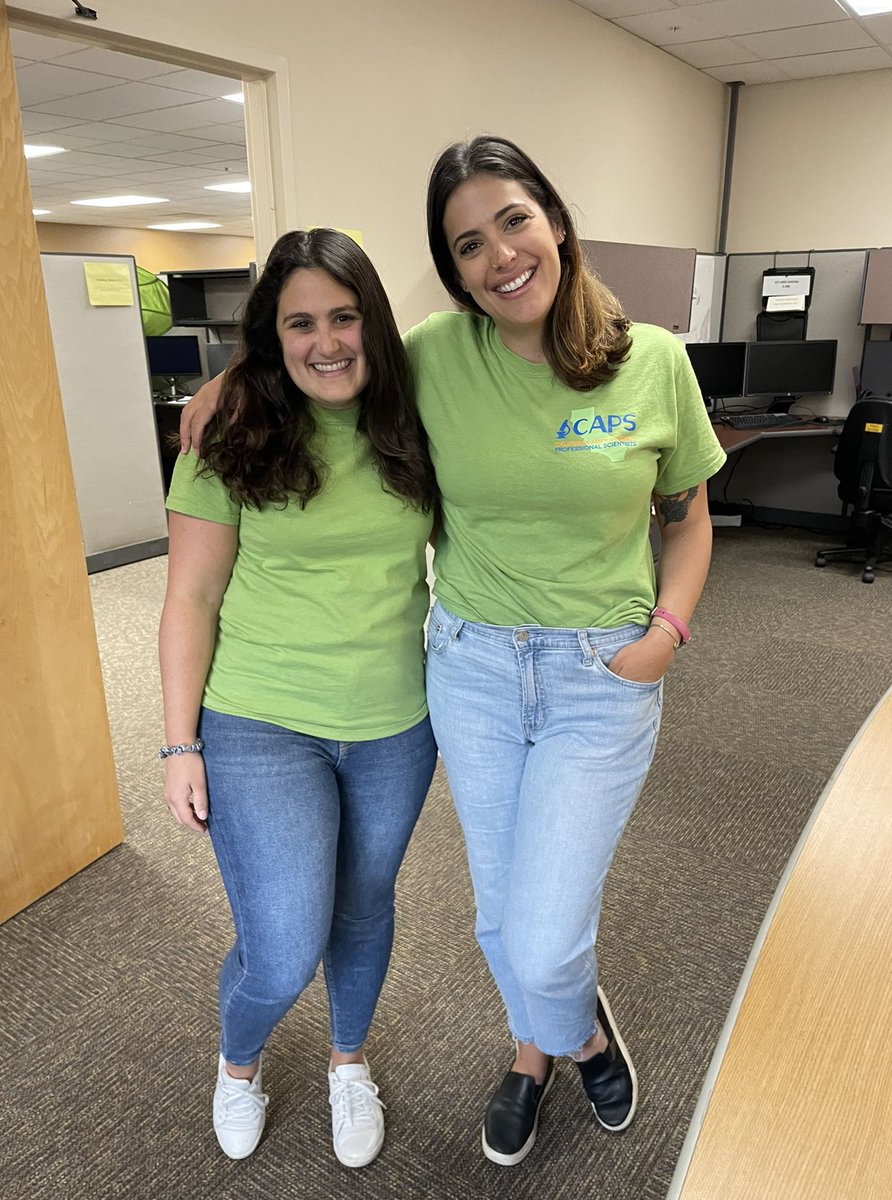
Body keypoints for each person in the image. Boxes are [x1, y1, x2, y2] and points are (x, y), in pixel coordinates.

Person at [180, 136, 727, 1168]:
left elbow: (690, 518)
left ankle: (581, 1031)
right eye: (467, 244)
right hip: (470, 669)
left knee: (542, 929)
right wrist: (228, 377)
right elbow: (325, 345)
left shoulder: (652, 361)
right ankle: (539, 1053)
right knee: (497, 917)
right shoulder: (434, 353)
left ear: (554, 220)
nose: (499, 256)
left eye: (514, 222)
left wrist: (665, 635)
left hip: (601, 672)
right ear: (454, 267)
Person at [159, 228, 438, 1168]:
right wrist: (176, 743)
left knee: (363, 907)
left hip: (397, 721)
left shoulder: (416, 421)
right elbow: (190, 597)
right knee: (282, 943)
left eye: (345, 317)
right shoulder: (229, 430)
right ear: (271, 339)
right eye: (301, 323)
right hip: (260, 721)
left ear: (374, 322)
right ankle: (238, 1063)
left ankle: (347, 1063)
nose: (327, 342)